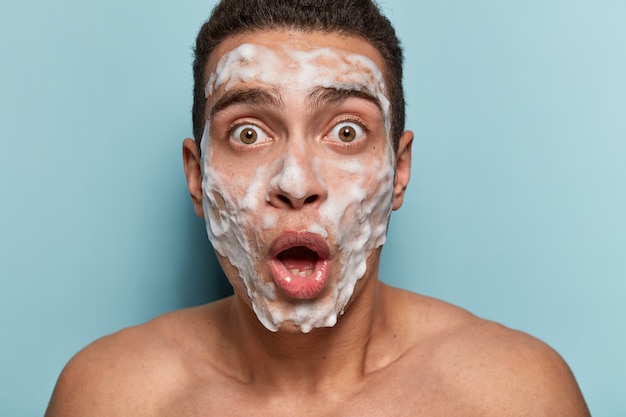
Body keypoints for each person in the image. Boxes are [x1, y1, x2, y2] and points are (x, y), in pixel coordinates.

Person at [45, 0, 590, 415]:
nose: (296, 181)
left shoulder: (514, 397)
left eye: (346, 131)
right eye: (249, 132)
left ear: (399, 171)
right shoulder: (109, 398)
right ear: (197, 177)